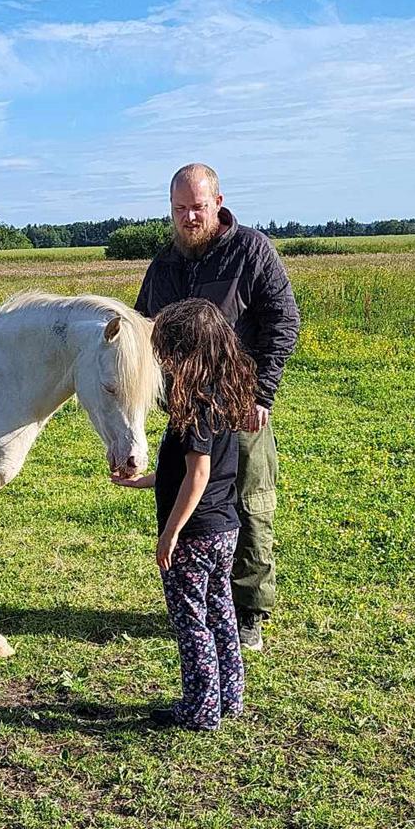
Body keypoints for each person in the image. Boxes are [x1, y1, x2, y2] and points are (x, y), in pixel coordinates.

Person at [135, 163, 300, 651]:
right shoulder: (164, 264)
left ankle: (248, 610)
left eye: (198, 208)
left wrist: (261, 393)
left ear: (219, 202)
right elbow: (146, 330)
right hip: (185, 405)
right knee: (191, 496)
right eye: (180, 209)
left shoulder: (250, 250)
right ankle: (206, 600)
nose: (189, 218)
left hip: (240, 404)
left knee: (248, 504)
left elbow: (283, 322)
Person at [113, 298, 258, 731]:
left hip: (194, 536)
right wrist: (149, 480)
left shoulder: (193, 407)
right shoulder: (225, 395)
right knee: (221, 613)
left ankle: (199, 710)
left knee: (191, 622)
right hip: (224, 529)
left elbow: (198, 476)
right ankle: (228, 696)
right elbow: (192, 472)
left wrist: (171, 533)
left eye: (163, 354)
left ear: (183, 355)